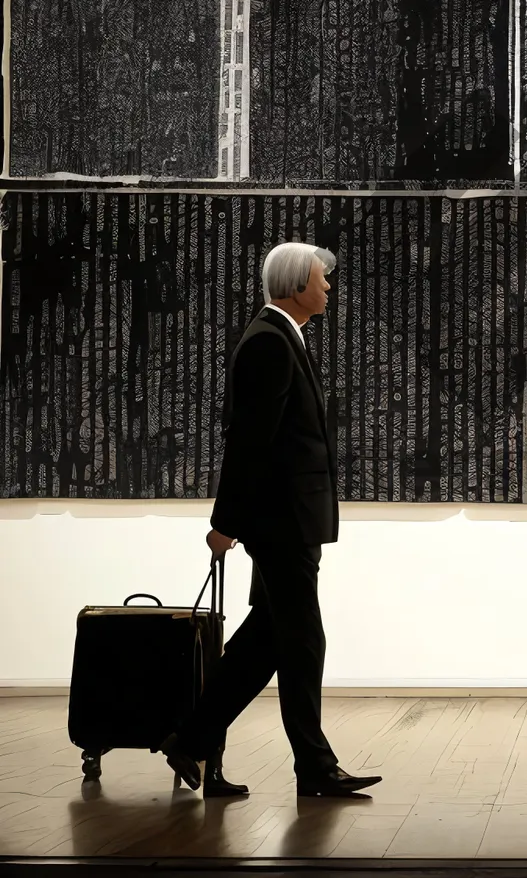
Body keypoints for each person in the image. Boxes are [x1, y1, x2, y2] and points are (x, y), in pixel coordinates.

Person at [157, 241, 381, 799]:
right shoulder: (269, 342)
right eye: (320, 278)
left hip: (290, 521)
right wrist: (225, 521)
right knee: (305, 642)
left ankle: (191, 739)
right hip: (280, 524)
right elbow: (249, 443)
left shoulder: (281, 337)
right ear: (294, 284)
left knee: (267, 643)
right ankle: (314, 768)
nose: (328, 287)